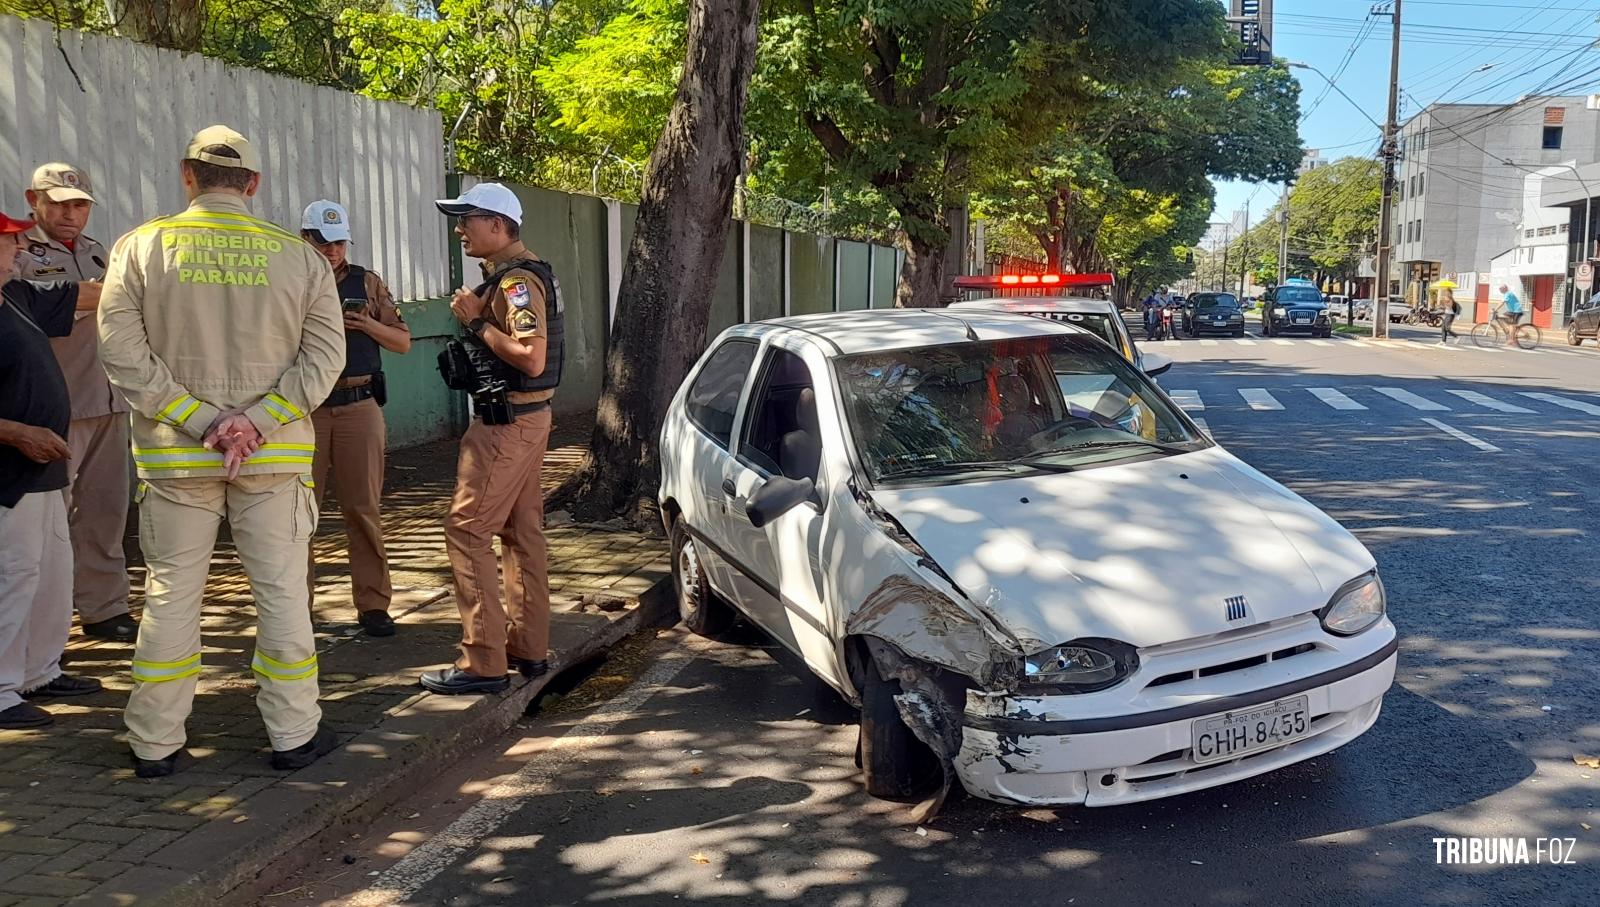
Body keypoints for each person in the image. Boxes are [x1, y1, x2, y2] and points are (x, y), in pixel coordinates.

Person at [97, 126, 346, 777]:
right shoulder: (301, 258)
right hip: (275, 457)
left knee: (171, 594)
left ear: (188, 175)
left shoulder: (140, 249)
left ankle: (155, 742)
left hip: (176, 459)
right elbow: (324, 359)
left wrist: (202, 420)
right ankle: (293, 735)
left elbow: (123, 355)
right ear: (253, 185)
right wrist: (256, 421)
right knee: (284, 595)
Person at [422, 182, 563, 695]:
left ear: (498, 226)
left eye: (468, 219)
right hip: (528, 420)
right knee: (521, 532)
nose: (460, 229)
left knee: (467, 529)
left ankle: (483, 662)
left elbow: (531, 357)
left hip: (507, 425)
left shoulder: (516, 283)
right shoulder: (517, 276)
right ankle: (528, 649)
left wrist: (476, 321)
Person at [14, 163, 137, 642]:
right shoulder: (20, 254)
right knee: (49, 523)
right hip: (55, 406)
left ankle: (105, 607)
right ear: (34, 199)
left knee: (106, 511)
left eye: (80, 204)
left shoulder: (97, 252)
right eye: (60, 202)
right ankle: (45, 627)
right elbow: (45, 307)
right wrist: (115, 295)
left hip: (109, 398)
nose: (71, 213)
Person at [1, 208, 105, 730]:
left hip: (44, 465)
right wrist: (19, 432)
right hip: (10, 470)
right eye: (9, 243)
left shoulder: (15, 296)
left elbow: (85, 296)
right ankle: (0, 690)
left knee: (51, 573)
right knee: (12, 574)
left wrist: (142, 274)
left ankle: (39, 670)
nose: (19, 250)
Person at [300, 200, 411, 637]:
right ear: (304, 238)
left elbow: (402, 342)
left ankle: (373, 604)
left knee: (363, 509)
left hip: (359, 404)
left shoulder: (367, 283)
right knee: (297, 515)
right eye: (323, 242)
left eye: (339, 242)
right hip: (304, 409)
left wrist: (366, 325)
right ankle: (295, 608)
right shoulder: (286, 277)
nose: (332, 251)